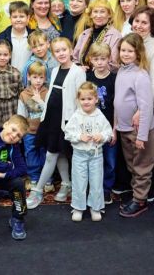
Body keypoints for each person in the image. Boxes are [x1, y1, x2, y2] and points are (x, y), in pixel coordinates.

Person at [27, 37, 86, 209]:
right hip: (51, 119)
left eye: (64, 50)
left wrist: (78, 123)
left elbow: (80, 100)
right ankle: (66, 184)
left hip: (66, 121)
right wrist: (42, 105)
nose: (61, 53)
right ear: (53, 54)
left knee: (51, 155)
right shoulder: (54, 70)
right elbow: (53, 96)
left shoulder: (78, 72)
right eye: (57, 51)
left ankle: (37, 191)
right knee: (58, 154)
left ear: (71, 50)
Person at [130, 7, 154, 201]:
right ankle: (139, 187)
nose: (139, 25)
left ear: (152, 26)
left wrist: (143, 110)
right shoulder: (131, 43)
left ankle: (153, 189)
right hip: (137, 106)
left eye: (144, 22)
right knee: (139, 151)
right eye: (136, 21)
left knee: (152, 150)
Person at [114, 33, 154, 217]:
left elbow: (146, 107)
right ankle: (136, 195)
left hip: (138, 131)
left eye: (130, 51)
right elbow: (118, 102)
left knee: (142, 167)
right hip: (124, 128)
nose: (126, 54)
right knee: (132, 165)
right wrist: (116, 127)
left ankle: (140, 200)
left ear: (138, 53)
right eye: (123, 50)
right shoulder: (122, 71)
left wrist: (142, 136)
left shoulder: (140, 75)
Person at [64, 82, 113, 222]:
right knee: (79, 181)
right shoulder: (76, 116)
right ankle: (78, 207)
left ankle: (95, 207)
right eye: (83, 99)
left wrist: (101, 136)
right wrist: (79, 137)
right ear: (78, 100)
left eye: (89, 99)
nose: (86, 102)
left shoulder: (99, 115)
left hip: (96, 155)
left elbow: (108, 132)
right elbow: (67, 133)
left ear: (96, 99)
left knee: (96, 181)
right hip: (79, 155)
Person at [84, 43, 117, 204]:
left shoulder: (114, 79)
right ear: (91, 60)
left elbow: (117, 106)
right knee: (91, 159)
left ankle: (106, 189)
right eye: (96, 59)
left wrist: (114, 130)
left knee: (109, 161)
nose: (100, 62)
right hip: (90, 126)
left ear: (109, 58)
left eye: (103, 59)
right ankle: (92, 188)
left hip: (108, 127)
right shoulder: (87, 77)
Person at [18, 62, 48, 190]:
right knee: (31, 155)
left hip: (45, 132)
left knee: (45, 155)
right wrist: (22, 131)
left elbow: (50, 111)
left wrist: (40, 100)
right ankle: (34, 178)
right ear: (28, 77)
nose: (38, 80)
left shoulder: (48, 92)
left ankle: (47, 179)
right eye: (35, 77)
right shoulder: (24, 94)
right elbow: (21, 115)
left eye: (41, 77)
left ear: (45, 78)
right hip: (30, 132)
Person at [72, 0, 121, 71]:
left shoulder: (115, 35)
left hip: (104, 76)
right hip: (82, 75)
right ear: (90, 15)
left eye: (102, 12)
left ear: (109, 15)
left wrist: (93, 70)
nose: (98, 15)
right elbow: (74, 59)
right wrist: (79, 67)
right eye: (95, 11)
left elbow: (114, 65)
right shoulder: (85, 34)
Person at [0, 1, 33, 72]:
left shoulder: (33, 36)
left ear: (28, 18)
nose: (18, 20)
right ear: (10, 18)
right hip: (8, 76)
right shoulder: (2, 37)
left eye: (22, 16)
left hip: (29, 77)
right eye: (15, 17)